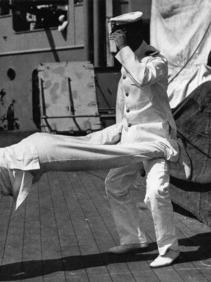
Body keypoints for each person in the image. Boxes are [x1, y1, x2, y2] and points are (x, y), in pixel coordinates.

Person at [0, 123, 190, 277]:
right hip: (36, 151)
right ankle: (124, 127)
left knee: (101, 157)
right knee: (90, 145)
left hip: (39, 154)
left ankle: (167, 147)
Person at [105, 11, 187, 268]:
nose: (115, 42)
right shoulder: (128, 59)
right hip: (132, 139)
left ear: (132, 34)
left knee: (156, 191)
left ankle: (169, 249)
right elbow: (124, 101)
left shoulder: (155, 60)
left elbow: (141, 78)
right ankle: (133, 239)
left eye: (119, 36)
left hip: (155, 139)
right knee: (114, 184)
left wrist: (123, 50)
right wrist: (119, 132)